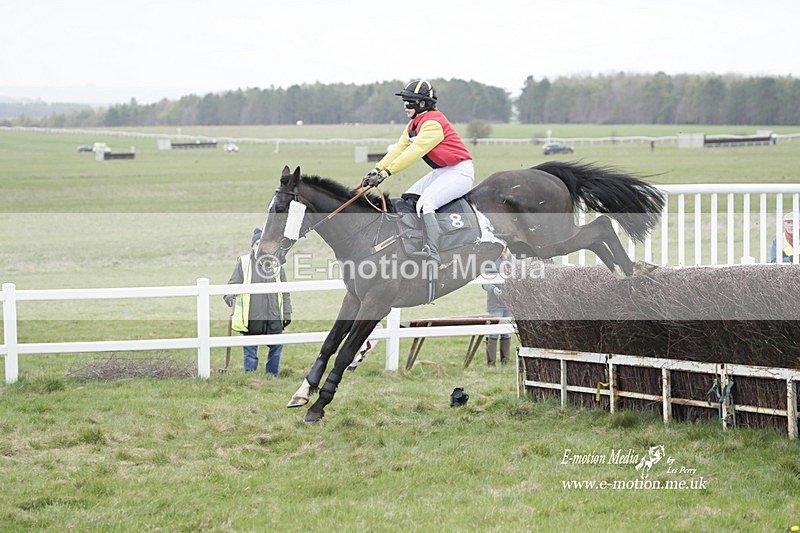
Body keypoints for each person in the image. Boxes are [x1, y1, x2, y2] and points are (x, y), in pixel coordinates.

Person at [362, 79, 474, 264]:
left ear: (422, 104)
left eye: (408, 103)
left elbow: (414, 152)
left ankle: (434, 253)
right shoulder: (414, 124)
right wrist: (376, 169)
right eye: (404, 102)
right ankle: (415, 241)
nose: (405, 107)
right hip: (444, 171)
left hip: (459, 172)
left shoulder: (433, 124)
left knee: (426, 204)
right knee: (410, 197)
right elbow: (398, 149)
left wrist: (385, 174)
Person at [224, 228, 292, 376]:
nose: (261, 247)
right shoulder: (244, 263)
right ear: (252, 246)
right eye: (257, 243)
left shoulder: (276, 264)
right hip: (252, 316)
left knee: (276, 348)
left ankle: (272, 375)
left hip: (273, 315)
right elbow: (233, 284)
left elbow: (285, 291)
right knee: (250, 350)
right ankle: (250, 376)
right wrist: (229, 296)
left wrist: (287, 312)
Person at [482, 252, 513, 366]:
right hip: (495, 302)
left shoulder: (511, 258)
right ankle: (491, 363)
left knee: (506, 331)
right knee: (493, 332)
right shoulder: (490, 258)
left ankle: (505, 361)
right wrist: (493, 288)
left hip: (509, 301)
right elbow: (484, 281)